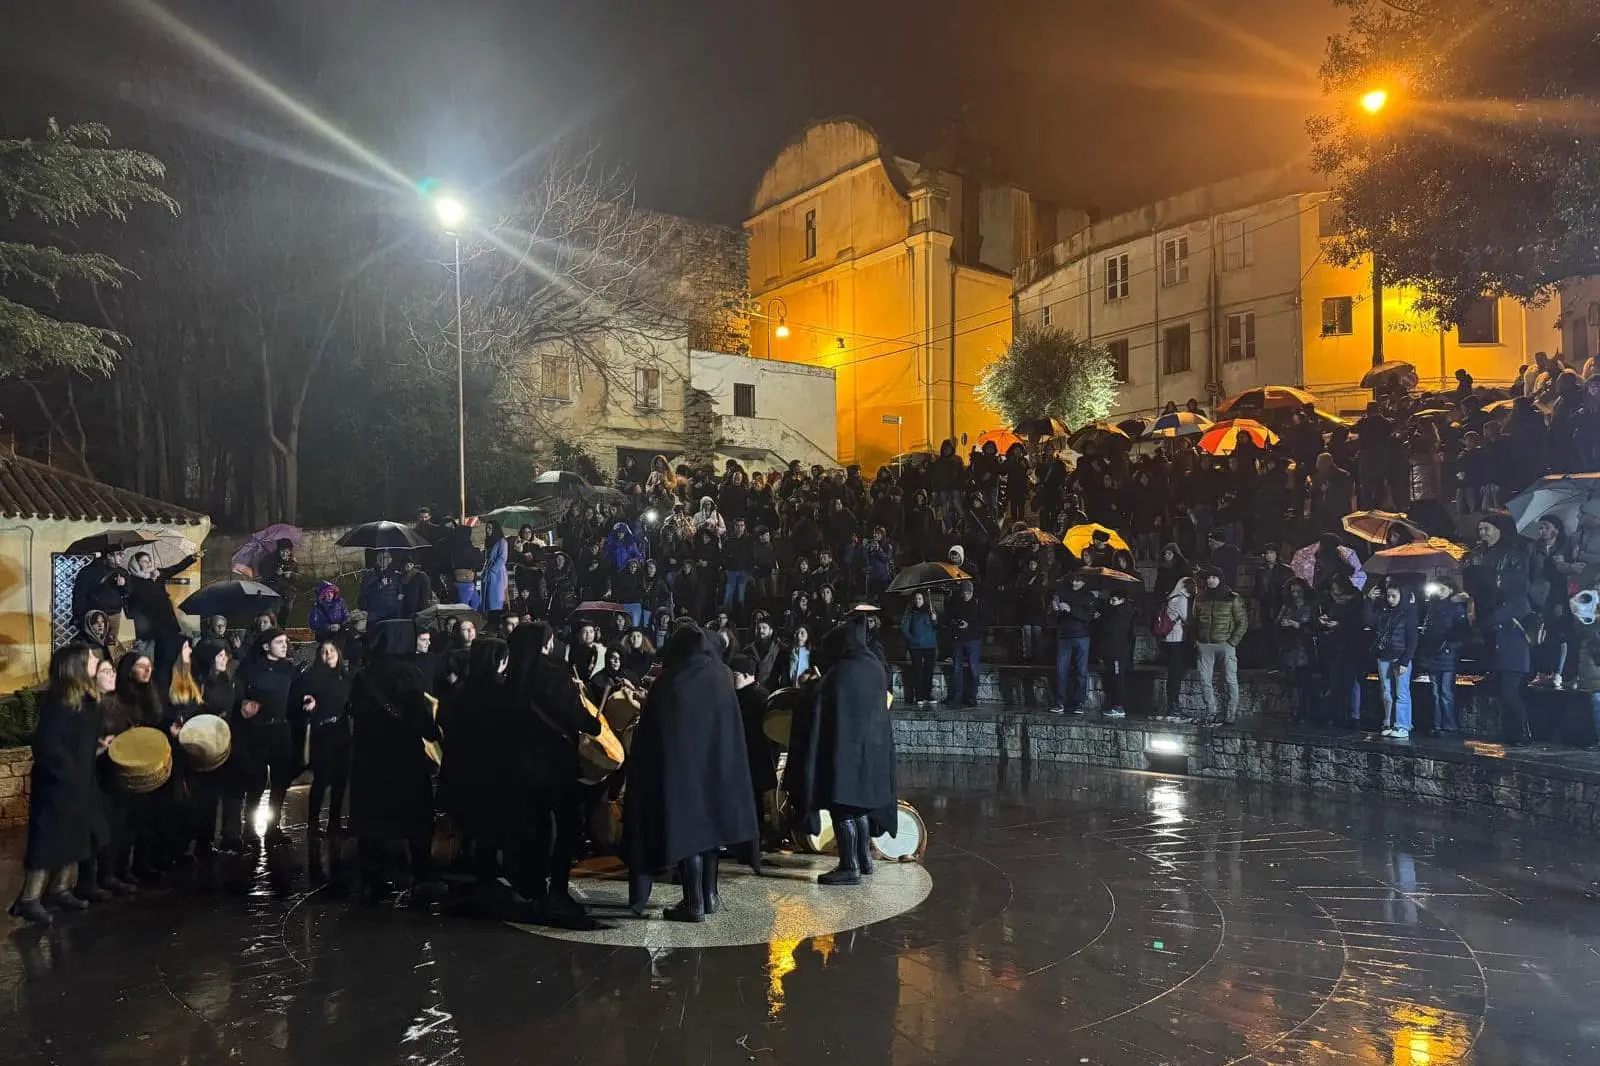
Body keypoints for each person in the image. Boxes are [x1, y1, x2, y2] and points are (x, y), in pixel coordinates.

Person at [622, 623, 759, 921]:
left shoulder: (672, 681)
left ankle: (693, 903)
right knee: (710, 833)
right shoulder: (721, 679)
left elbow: (653, 734)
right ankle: (710, 896)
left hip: (682, 774)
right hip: (717, 771)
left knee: (688, 835)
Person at [784, 621, 898, 887]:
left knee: (843, 809)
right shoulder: (874, 668)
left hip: (845, 751)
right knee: (859, 809)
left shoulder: (843, 671)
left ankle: (849, 866)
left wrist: (809, 684)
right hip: (871, 753)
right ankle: (864, 860)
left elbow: (817, 702)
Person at [506, 621, 601, 918]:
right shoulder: (552, 673)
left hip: (520, 767)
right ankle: (557, 891)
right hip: (554, 766)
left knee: (531, 827)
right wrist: (592, 723)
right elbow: (576, 716)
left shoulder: (511, 678)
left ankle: (531, 887)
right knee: (566, 827)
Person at [346, 619, 444, 904]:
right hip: (403, 759)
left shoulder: (363, 676)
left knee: (372, 821)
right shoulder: (408, 674)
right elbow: (418, 717)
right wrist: (432, 730)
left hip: (369, 759)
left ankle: (372, 879)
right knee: (416, 819)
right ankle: (423, 876)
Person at [11, 644, 104, 925]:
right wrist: (66, 771)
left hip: (80, 780)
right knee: (49, 839)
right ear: (76, 664)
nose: (96, 660)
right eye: (90, 658)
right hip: (58, 785)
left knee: (75, 835)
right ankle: (29, 899)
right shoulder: (61, 699)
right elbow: (47, 743)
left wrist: (95, 750)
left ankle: (61, 889)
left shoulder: (87, 699)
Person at [226, 628, 298, 848]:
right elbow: (238, 694)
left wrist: (305, 702)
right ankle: (249, 827)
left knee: (280, 782)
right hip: (256, 731)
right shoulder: (249, 669)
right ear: (266, 646)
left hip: (281, 730)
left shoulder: (288, 669)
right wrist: (243, 705)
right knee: (255, 782)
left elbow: (294, 695)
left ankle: (273, 827)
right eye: (279, 642)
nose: (284, 645)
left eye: (285, 642)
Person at [293, 640, 352, 850]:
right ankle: (313, 823)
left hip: (342, 731)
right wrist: (308, 702)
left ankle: (334, 822)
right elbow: (303, 697)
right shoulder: (312, 676)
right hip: (322, 731)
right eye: (324, 651)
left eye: (332, 651)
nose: (328, 654)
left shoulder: (345, 677)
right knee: (322, 777)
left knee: (340, 778)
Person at [123, 547, 199, 693]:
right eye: (144, 561)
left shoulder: (158, 575)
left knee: (165, 661)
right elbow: (126, 597)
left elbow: (175, 568)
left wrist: (192, 558)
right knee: (148, 663)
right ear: (137, 565)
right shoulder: (132, 580)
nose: (148, 563)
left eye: (149, 560)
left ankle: (163, 690)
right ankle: (148, 692)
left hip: (166, 625)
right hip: (148, 629)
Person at [730, 652, 777, 847]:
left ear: (749, 675)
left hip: (755, 756)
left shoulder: (760, 696)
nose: (733, 678)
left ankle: (755, 838)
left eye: (737, 675)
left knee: (754, 799)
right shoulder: (736, 695)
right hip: (741, 755)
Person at [1192, 565, 1248, 723]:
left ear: (1220, 579)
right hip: (1205, 644)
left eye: (1214, 577)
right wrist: (1196, 640)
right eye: (1208, 577)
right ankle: (1211, 711)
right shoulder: (1200, 597)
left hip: (1225, 643)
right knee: (1204, 680)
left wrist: (1232, 642)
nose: (1211, 580)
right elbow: (1194, 620)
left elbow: (1242, 622)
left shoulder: (1232, 597)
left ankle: (1230, 714)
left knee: (1230, 679)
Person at [1366, 582, 1419, 738]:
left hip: (1399, 657)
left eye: (1394, 596)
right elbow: (1369, 620)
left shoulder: (1409, 613)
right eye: (1388, 596)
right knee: (1386, 691)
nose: (1390, 599)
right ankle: (1388, 721)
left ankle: (1402, 725)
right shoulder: (1384, 612)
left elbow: (1412, 640)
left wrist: (1405, 661)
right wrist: (1369, 601)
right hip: (1384, 656)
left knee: (1401, 692)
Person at [1417, 578, 1469, 735]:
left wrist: (1449, 647)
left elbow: (1461, 633)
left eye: (1443, 588)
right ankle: (1437, 724)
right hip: (1433, 654)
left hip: (1447, 655)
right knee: (1435, 692)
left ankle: (1449, 724)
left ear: (1450, 590)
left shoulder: (1456, 609)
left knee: (1446, 692)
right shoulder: (1431, 608)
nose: (1439, 591)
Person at [1483, 594, 1532, 746]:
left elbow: (1495, 619)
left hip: (1515, 658)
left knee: (1510, 695)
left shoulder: (1519, 601)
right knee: (1503, 697)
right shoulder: (1505, 603)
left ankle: (1523, 733)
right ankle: (1509, 731)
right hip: (1503, 657)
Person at [1049, 571, 1096, 715]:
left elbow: (1088, 616)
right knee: (1060, 671)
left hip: (1081, 637)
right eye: (1073, 580)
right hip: (1064, 636)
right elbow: (1054, 615)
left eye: (1078, 581)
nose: (1074, 583)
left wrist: (1071, 609)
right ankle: (1060, 702)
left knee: (1081, 672)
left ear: (1084, 582)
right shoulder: (1062, 593)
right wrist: (1054, 609)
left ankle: (1078, 703)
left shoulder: (1089, 596)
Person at [1276, 579, 1318, 723]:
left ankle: (1304, 713)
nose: (1295, 594)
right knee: (1291, 683)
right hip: (1289, 648)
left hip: (1304, 648)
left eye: (1298, 591)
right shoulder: (1287, 607)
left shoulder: (1311, 607)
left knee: (1304, 682)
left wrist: (1298, 625)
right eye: (1293, 591)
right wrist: (1283, 624)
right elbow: (1277, 626)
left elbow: (1315, 628)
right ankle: (1294, 711)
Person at [1094, 587, 1136, 720]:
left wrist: (1099, 619)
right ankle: (1115, 704)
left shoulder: (1122, 613)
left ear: (1121, 600)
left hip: (1117, 651)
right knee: (1114, 677)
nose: (1111, 603)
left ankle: (1119, 706)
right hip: (1112, 650)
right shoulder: (1115, 611)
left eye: (1114, 600)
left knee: (1118, 678)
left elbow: (1112, 629)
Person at [943, 581, 985, 709]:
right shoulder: (956, 603)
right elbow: (948, 618)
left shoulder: (978, 604)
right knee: (957, 668)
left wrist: (970, 626)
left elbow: (983, 623)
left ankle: (972, 696)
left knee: (974, 669)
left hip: (973, 640)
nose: (966, 595)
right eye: (964, 593)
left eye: (968, 593)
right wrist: (956, 623)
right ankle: (956, 695)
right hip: (958, 639)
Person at [1157, 577, 1193, 722]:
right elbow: (1186, 618)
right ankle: (1173, 706)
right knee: (1175, 674)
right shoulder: (1180, 599)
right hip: (1176, 639)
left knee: (1174, 673)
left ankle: (1172, 705)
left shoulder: (1172, 597)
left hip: (1169, 640)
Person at [72, 550, 128, 645]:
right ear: (109, 555)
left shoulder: (122, 572)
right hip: (95, 615)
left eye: (123, 554)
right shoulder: (88, 571)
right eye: (119, 554)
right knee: (95, 645)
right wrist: (79, 615)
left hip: (114, 615)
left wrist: (123, 585)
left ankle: (110, 660)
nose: (122, 556)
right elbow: (79, 595)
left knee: (112, 646)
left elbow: (127, 593)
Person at [900, 591, 939, 707]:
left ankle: (928, 694)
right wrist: (912, 640)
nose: (918, 601)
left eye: (920, 598)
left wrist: (934, 619)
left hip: (930, 645)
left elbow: (936, 627)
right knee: (917, 671)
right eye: (916, 599)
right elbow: (904, 629)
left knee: (929, 671)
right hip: (916, 647)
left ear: (924, 599)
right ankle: (919, 696)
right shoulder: (910, 612)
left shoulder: (930, 610)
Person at [257, 539, 300, 623]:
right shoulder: (269, 560)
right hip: (273, 592)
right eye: (282, 551)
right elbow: (263, 574)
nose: (285, 554)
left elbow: (299, 580)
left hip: (288, 594)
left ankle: (281, 631)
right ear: (278, 550)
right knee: (273, 615)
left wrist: (292, 575)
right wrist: (275, 572)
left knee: (284, 616)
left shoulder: (292, 562)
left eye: (287, 552)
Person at [359, 551, 404, 625]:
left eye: (385, 557)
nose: (382, 560)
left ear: (390, 560)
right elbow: (363, 592)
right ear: (377, 559)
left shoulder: (396, 575)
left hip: (392, 612)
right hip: (375, 612)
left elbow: (401, 593)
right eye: (379, 557)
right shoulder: (369, 574)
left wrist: (398, 607)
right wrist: (379, 586)